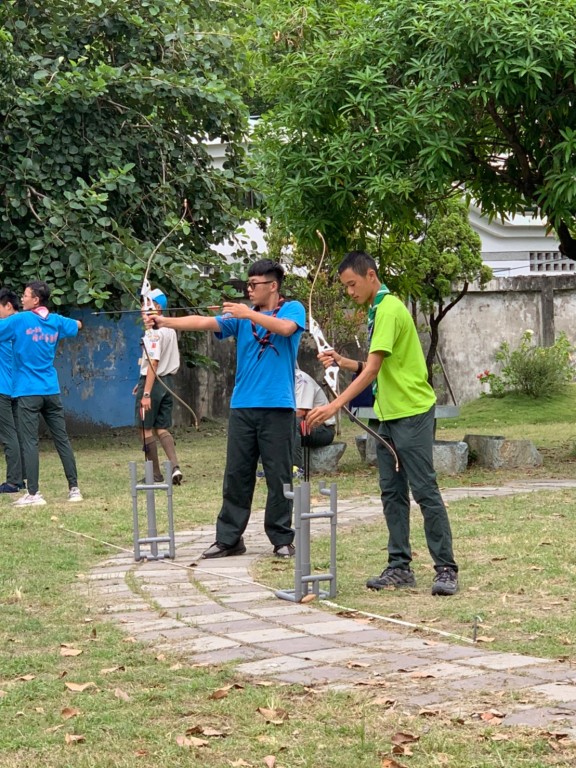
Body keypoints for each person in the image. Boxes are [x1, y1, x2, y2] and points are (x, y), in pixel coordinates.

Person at [307, 251, 458, 596]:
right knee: (392, 492)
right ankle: (399, 567)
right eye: (345, 286)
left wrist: (334, 403)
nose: (349, 292)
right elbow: (378, 367)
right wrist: (343, 361)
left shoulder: (388, 309)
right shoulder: (377, 311)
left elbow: (374, 369)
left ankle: (446, 568)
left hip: (412, 412)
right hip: (387, 415)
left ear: (371, 275)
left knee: (424, 489)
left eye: (351, 284)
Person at [144, 259, 305, 558]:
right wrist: (163, 321)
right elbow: (204, 322)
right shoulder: (243, 317)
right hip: (243, 407)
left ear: (273, 285)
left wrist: (247, 314)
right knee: (236, 475)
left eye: (254, 285)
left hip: (279, 407)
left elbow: (284, 329)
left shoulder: (292, 309)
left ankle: (282, 538)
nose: (249, 289)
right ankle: (229, 538)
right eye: (248, 284)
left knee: (279, 475)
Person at [0, 281, 83, 506]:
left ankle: (34, 493)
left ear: (35, 300)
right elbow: (77, 325)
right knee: (62, 439)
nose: (22, 299)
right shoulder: (55, 321)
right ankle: (74, 489)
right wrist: (74, 322)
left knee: (29, 441)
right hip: (51, 389)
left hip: (28, 391)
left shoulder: (19, 320)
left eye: (26, 296)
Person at [134, 288, 183, 485]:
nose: (142, 310)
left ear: (158, 308)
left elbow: (154, 363)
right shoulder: (170, 329)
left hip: (154, 383)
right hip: (167, 383)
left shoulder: (154, 333)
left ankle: (154, 474)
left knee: (145, 428)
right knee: (161, 427)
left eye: (147, 306)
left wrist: (146, 392)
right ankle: (175, 466)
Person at [0, 288, 25, 493]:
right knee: (18, 434)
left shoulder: (4, 327)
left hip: (3, 388)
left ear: (8, 306)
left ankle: (13, 481)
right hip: (19, 388)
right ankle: (21, 477)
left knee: (9, 435)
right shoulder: (25, 325)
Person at [293, 368, 335, 473]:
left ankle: (295, 468)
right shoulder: (276, 381)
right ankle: (268, 467)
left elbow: (301, 412)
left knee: (291, 423)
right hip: (303, 426)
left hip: (323, 428)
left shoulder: (300, 379)